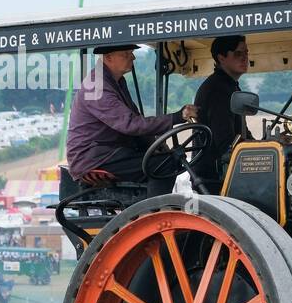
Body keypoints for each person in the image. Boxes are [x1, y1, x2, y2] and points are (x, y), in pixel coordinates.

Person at [65, 44, 200, 194]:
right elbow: (130, 124)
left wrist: (157, 146)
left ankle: (150, 207)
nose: (133, 57)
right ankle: (153, 212)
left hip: (109, 152)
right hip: (93, 157)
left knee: (166, 159)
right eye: (126, 54)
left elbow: (135, 121)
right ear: (108, 57)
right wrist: (177, 117)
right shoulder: (96, 86)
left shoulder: (116, 82)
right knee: (164, 164)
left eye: (132, 53)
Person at [192, 35, 253, 191]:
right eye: (238, 54)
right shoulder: (217, 90)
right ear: (222, 58)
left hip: (221, 173)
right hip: (215, 178)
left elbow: (241, 134)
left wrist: (268, 145)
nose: (245, 58)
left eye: (246, 53)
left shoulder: (229, 86)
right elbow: (226, 143)